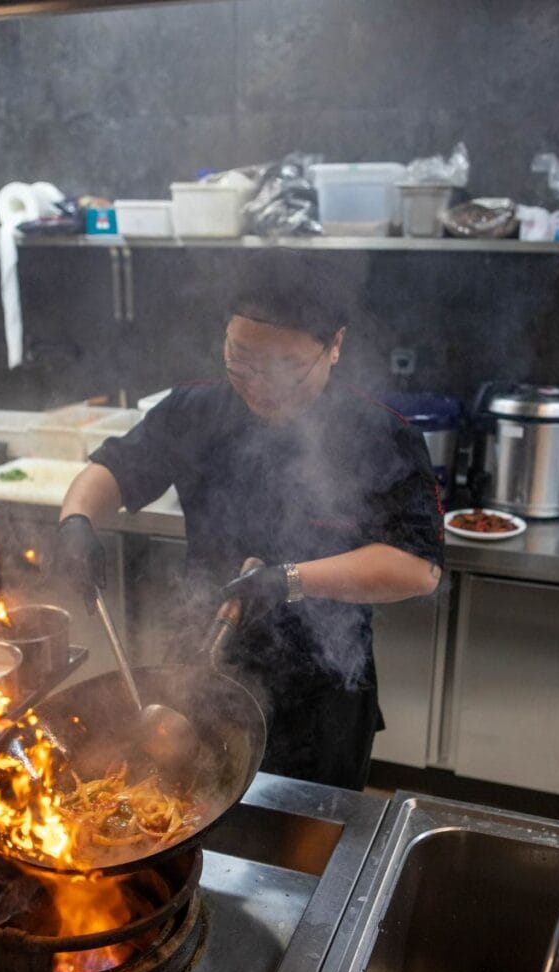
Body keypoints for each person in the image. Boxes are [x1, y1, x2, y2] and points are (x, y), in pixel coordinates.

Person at [56, 249, 443, 791]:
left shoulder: (381, 436)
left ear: (334, 345)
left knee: (307, 837)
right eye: (241, 357)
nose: (260, 382)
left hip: (319, 692)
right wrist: (76, 522)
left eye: (285, 366)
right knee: (182, 811)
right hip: (199, 671)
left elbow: (417, 569)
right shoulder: (193, 411)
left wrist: (288, 581)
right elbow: (112, 471)